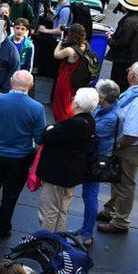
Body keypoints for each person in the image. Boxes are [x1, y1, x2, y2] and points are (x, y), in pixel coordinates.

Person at [0, 71, 46, 238]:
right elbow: (39, 137)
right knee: (11, 195)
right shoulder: (37, 108)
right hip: (20, 159)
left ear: (11, 82)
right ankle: (3, 227)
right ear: (30, 86)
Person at [37, 87, 98, 233]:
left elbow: (46, 135)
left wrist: (50, 128)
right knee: (62, 210)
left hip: (57, 174)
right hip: (72, 173)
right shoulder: (89, 121)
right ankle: (59, 241)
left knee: (48, 211)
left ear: (77, 104)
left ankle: (45, 244)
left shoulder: (73, 124)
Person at [98, 62, 138, 235]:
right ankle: (111, 211)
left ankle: (120, 221)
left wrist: (117, 144)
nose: (127, 72)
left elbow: (133, 133)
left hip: (130, 147)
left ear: (132, 76)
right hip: (128, 145)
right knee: (117, 179)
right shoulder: (135, 93)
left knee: (125, 184)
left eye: (129, 70)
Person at [78, 80, 121, 246]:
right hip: (93, 157)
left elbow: (91, 133)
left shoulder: (111, 117)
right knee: (89, 195)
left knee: (90, 196)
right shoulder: (106, 110)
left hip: (95, 161)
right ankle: (85, 230)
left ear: (102, 97)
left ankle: (87, 233)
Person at [52, 23, 88, 122]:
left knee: (61, 104)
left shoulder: (70, 50)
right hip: (75, 79)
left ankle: (61, 122)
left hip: (65, 79)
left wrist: (61, 41)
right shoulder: (84, 45)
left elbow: (56, 55)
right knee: (69, 103)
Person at [107, 0, 138, 92]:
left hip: (123, 60)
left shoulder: (129, 22)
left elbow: (120, 43)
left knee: (118, 85)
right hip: (133, 58)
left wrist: (109, 39)